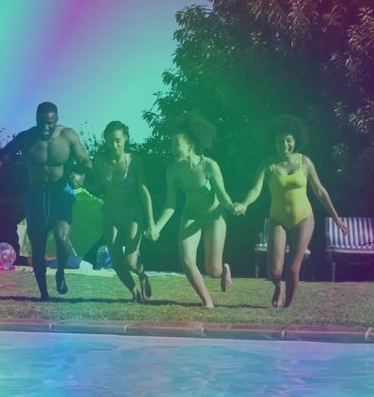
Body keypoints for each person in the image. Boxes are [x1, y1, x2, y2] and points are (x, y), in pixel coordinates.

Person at [0, 102, 92, 300]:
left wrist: (80, 175)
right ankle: (43, 294)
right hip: (36, 195)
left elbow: (86, 161)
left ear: (56, 120)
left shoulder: (68, 136)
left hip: (61, 194)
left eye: (49, 123)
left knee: (62, 238)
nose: (45, 128)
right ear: (36, 120)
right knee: (37, 246)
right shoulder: (26, 138)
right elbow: (1, 156)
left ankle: (60, 273)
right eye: (41, 123)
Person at [235, 115, 347, 308]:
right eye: (280, 141)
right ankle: (279, 286)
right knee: (274, 272)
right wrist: (245, 204)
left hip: (303, 218)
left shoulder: (305, 162)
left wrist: (335, 217)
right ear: (274, 142)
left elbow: (319, 190)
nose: (284, 144)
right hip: (277, 219)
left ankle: (288, 307)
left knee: (294, 268)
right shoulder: (267, 164)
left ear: (295, 140)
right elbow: (255, 190)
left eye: (288, 140)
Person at [147, 114, 237, 309]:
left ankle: (224, 270)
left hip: (214, 217)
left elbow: (222, 195)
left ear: (190, 145)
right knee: (187, 260)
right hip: (191, 215)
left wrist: (231, 206)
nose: (172, 148)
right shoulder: (172, 170)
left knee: (212, 270)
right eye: (171, 144)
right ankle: (207, 302)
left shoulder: (209, 166)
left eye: (176, 144)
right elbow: (170, 205)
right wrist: (157, 227)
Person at [93, 121, 154, 302]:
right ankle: (134, 292)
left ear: (125, 138)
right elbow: (95, 187)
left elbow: (144, 191)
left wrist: (151, 222)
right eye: (110, 141)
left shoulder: (134, 161)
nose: (114, 145)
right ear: (105, 140)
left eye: (118, 141)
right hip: (110, 215)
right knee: (116, 261)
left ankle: (142, 275)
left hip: (133, 215)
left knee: (131, 262)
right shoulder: (99, 162)